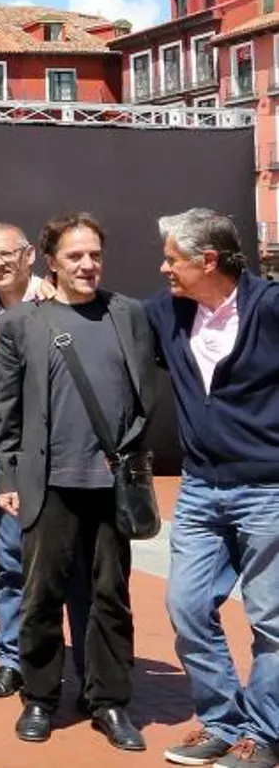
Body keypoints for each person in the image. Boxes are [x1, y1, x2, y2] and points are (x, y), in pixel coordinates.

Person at [0, 212, 165, 751]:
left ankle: (108, 702)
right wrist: (9, 476)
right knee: (41, 596)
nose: (87, 265)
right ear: (51, 263)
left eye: (94, 255)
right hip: (49, 483)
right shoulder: (22, 322)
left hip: (113, 484)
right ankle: (40, 698)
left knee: (111, 597)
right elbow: (8, 409)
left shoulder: (130, 314)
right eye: (74, 256)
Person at [144, 208, 278, 768]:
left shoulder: (270, 307)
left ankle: (266, 735)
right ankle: (222, 723)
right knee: (188, 606)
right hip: (199, 490)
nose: (163, 267)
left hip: (268, 489)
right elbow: (97, 317)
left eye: (173, 258)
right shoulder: (166, 313)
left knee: (271, 618)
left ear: (208, 260)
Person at [0, 223, 82, 701]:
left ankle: (84, 666)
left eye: (6, 254)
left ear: (30, 255)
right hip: (5, 462)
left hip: (62, 459)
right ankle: (14, 658)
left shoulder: (59, 302)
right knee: (11, 563)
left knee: (71, 567)